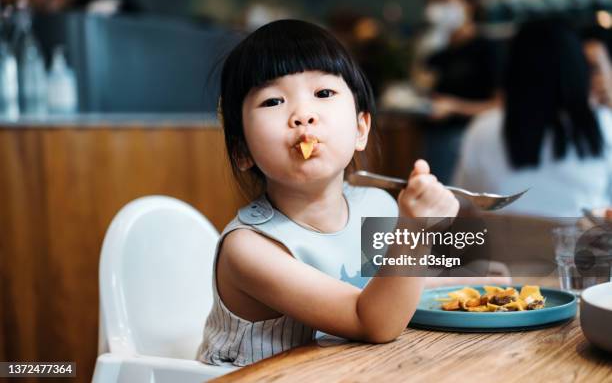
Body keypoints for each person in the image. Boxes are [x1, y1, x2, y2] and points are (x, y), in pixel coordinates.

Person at [195, 19, 513, 367]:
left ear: (360, 129)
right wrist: (414, 230)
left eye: (323, 94)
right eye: (273, 101)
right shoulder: (249, 249)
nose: (303, 116)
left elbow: (386, 290)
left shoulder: (373, 204)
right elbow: (372, 320)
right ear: (242, 151)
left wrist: (472, 284)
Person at [453, 20, 612, 217]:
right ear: (578, 70)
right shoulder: (603, 125)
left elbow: (464, 207)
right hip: (579, 245)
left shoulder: (484, 129)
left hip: (501, 246)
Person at [414, 0, 503, 183]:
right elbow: (421, 86)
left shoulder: (488, 49)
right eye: (432, 1)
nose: (435, 8)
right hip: (433, 140)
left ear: (469, 3)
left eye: (443, 0)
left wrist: (454, 107)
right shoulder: (437, 51)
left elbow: (500, 105)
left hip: (469, 140)